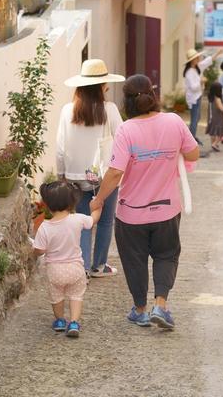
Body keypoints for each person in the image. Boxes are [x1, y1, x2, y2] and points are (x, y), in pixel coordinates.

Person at [90, 74, 200, 330]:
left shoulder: (127, 130)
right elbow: (193, 152)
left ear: (127, 101)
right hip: (167, 210)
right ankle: (160, 304)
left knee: (134, 260)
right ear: (153, 94)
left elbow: (116, 172)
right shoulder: (173, 121)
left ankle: (140, 310)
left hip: (131, 214)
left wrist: (99, 199)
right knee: (166, 256)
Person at [58, 59, 124, 278]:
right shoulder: (110, 109)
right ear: (102, 86)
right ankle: (99, 266)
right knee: (105, 221)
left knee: (82, 220)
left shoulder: (68, 110)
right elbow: (123, 138)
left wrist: (62, 175)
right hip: (103, 176)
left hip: (75, 176)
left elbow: (60, 147)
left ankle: (82, 267)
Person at [33, 181, 102, 338]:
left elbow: (39, 250)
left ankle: (60, 321)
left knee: (56, 297)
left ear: (48, 205)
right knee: (76, 295)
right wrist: (97, 207)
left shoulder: (45, 227)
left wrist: (35, 252)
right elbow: (93, 220)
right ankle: (74, 322)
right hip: (75, 269)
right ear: (72, 203)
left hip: (55, 271)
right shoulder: (77, 219)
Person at [183, 47, 223, 145]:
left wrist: (217, 53)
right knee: (194, 119)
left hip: (197, 96)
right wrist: (201, 81)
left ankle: (192, 136)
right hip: (193, 98)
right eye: (196, 58)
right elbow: (193, 87)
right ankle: (191, 139)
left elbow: (207, 62)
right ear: (192, 60)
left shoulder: (197, 68)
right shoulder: (189, 72)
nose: (198, 59)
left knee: (197, 118)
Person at [206, 82, 223, 152]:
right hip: (218, 118)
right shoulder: (217, 99)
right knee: (222, 132)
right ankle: (215, 144)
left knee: (212, 132)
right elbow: (221, 108)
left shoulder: (211, 98)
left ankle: (213, 144)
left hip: (211, 117)